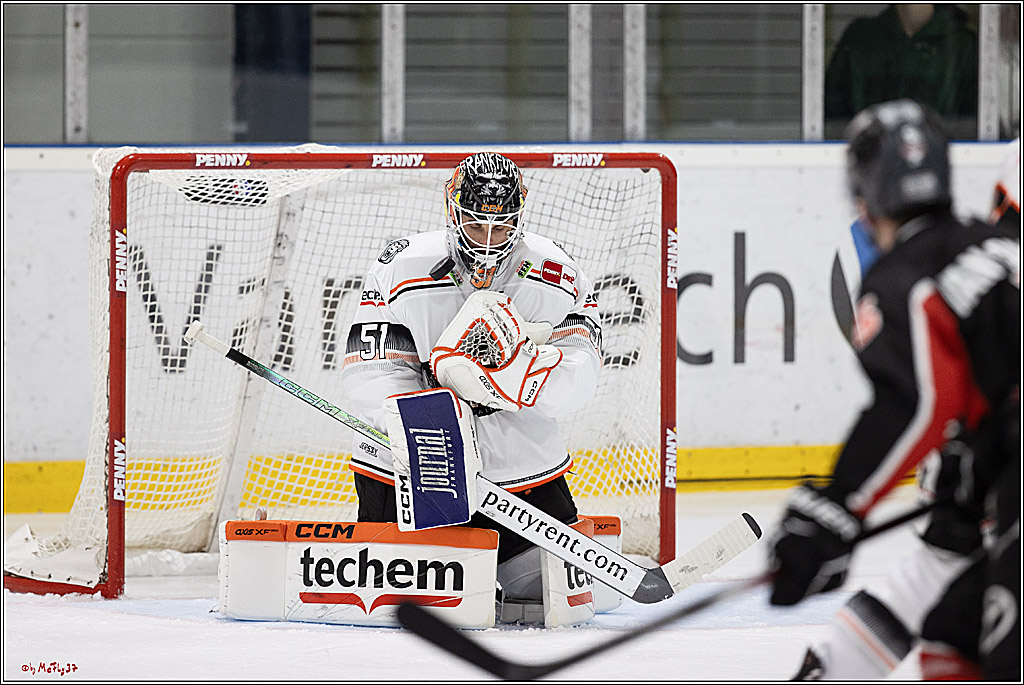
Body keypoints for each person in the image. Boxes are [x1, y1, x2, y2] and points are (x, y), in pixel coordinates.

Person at [768, 99, 1020, 681]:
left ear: (864, 194)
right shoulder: (993, 246)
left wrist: (837, 506)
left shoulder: (904, 276)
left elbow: (914, 402)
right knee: (952, 635)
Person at [339, 151, 603, 618]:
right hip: (409, 462)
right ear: (452, 209)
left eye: (501, 227)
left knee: (543, 603)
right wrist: (430, 414)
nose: (488, 241)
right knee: (403, 611)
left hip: (520, 462)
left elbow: (582, 366)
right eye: (476, 225)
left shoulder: (557, 273)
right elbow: (368, 368)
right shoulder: (401, 266)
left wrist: (525, 378)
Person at [824, 5, 978, 128]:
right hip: (869, 162)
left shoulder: (964, 47)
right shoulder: (859, 39)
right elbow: (831, 121)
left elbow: (974, 130)